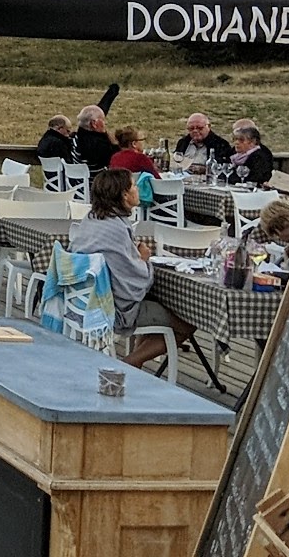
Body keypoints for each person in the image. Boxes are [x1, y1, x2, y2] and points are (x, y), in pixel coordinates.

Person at [69, 168, 195, 370]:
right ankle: (132, 362)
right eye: (134, 186)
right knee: (187, 321)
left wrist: (134, 258)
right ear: (124, 195)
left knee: (157, 305)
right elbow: (134, 284)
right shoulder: (117, 228)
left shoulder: (91, 219)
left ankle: (135, 363)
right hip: (110, 308)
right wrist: (144, 261)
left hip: (82, 300)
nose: (138, 190)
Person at [73, 83, 123, 171]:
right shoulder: (98, 144)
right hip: (97, 178)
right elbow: (118, 158)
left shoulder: (78, 136)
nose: (105, 123)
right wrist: (114, 142)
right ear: (94, 124)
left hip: (80, 177)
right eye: (102, 120)